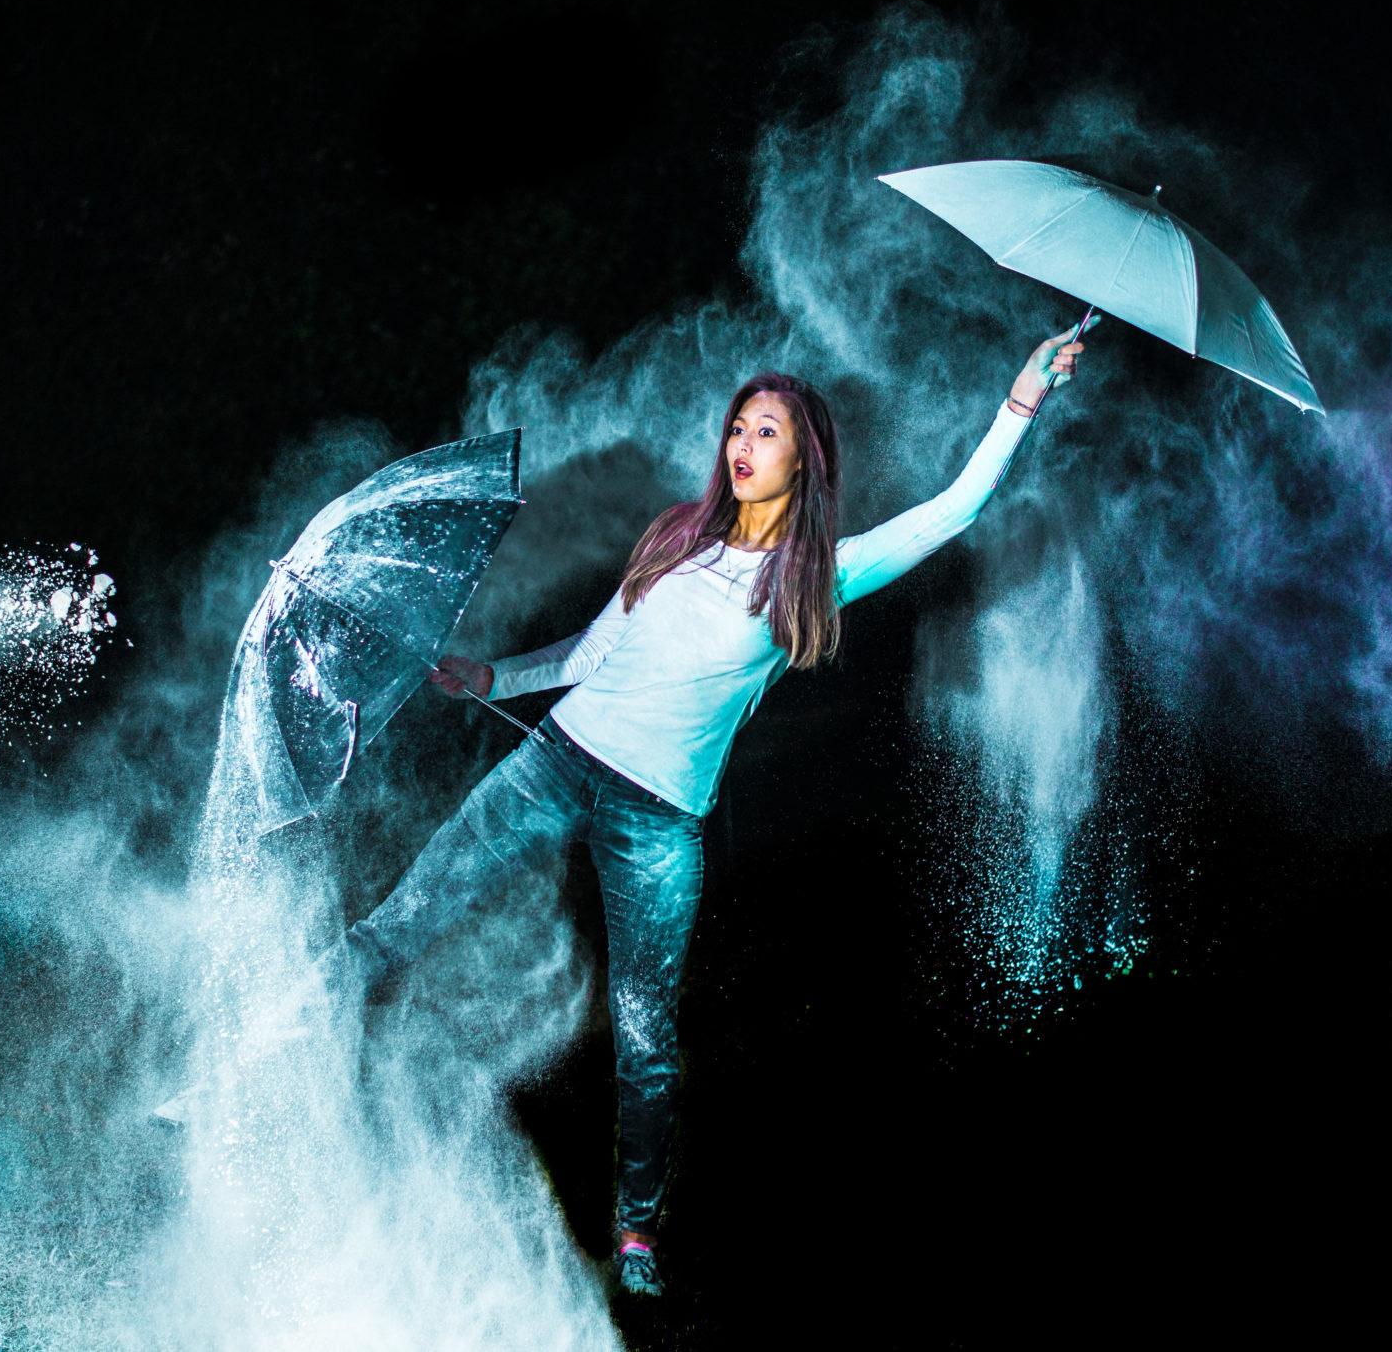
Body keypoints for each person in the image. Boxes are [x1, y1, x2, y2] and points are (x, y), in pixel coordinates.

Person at [322, 323, 1089, 1299]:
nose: (740, 440)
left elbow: (949, 510)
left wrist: (1021, 397)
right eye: (736, 424)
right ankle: (265, 1051)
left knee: (643, 1037)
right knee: (403, 916)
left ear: (803, 456)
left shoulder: (811, 574)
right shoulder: (678, 538)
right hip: (553, 761)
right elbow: (589, 654)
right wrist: (489, 673)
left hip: (655, 825)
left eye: (764, 429)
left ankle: (635, 1226)